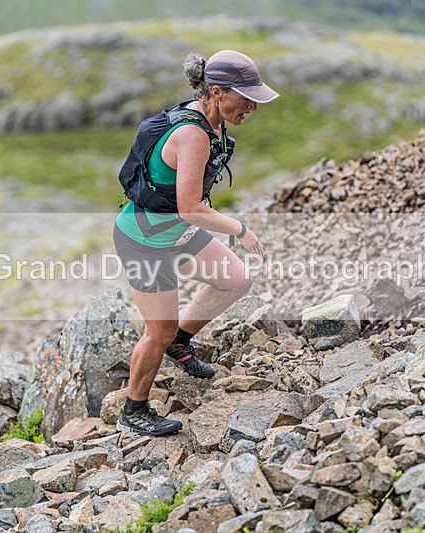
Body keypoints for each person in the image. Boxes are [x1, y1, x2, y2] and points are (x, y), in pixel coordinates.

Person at [112, 50, 279, 436]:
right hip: (145, 241)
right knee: (158, 330)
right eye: (246, 97)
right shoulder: (191, 134)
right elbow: (189, 208)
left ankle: (180, 342)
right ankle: (133, 411)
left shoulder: (214, 124)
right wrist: (239, 229)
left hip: (174, 232)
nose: (253, 106)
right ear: (217, 92)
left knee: (236, 279)